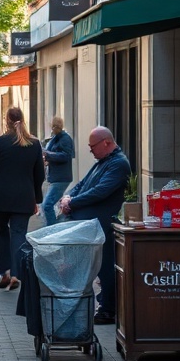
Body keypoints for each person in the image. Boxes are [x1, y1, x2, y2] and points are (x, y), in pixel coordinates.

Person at [57, 126, 130, 325]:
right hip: (89, 225)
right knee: (97, 268)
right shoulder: (103, 161)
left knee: (105, 268)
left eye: (92, 146)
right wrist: (68, 197)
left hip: (101, 226)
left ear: (106, 142)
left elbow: (100, 191)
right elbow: (83, 184)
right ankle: (100, 305)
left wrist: (72, 203)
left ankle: (108, 309)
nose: (90, 151)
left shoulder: (118, 164)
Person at [0, 107, 44, 291]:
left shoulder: (0, 142)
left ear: (6, 121)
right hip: (24, 198)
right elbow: (39, 174)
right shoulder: (34, 143)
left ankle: (5, 272)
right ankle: (17, 273)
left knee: (1, 234)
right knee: (18, 234)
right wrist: (36, 199)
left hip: (0, 198)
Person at [41, 116, 76, 226]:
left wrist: (48, 154)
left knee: (47, 205)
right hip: (56, 177)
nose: (52, 129)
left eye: (53, 127)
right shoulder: (56, 138)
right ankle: (53, 227)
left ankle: (51, 229)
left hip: (61, 177)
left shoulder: (64, 138)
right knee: (50, 205)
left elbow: (66, 156)